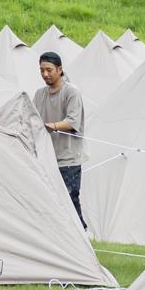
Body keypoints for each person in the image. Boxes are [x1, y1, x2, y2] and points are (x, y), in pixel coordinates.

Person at [35, 50, 86, 228]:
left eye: (49, 70)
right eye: (42, 70)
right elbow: (33, 120)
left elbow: (72, 122)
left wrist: (51, 126)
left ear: (60, 69)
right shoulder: (39, 95)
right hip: (46, 159)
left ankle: (82, 238)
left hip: (68, 160)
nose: (45, 74)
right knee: (49, 204)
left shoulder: (71, 92)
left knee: (70, 202)